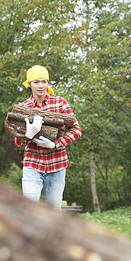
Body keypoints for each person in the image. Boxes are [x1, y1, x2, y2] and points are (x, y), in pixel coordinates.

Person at [14, 65, 81, 209]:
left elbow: (76, 129)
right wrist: (28, 135)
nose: (40, 86)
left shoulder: (60, 103)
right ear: (29, 84)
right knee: (29, 210)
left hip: (57, 165)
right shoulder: (23, 107)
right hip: (32, 165)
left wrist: (56, 144)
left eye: (44, 81)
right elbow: (17, 142)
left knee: (54, 212)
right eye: (36, 82)